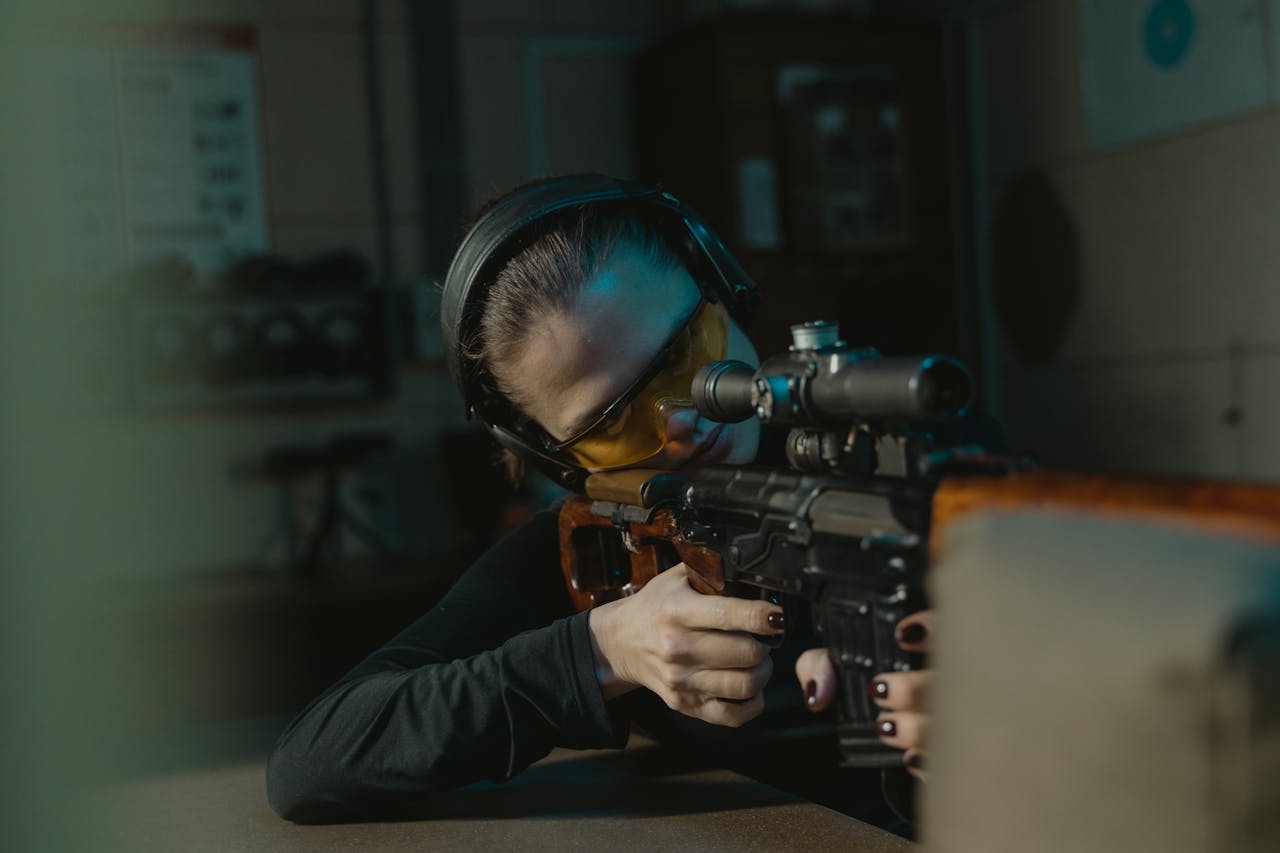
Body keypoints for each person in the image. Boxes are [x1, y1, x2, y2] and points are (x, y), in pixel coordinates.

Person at [265, 174, 930, 824]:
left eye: (687, 356)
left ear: (721, 289)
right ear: (554, 457)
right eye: (614, 423)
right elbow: (313, 760)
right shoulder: (601, 543)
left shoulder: (909, 466)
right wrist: (604, 648)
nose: (682, 420)